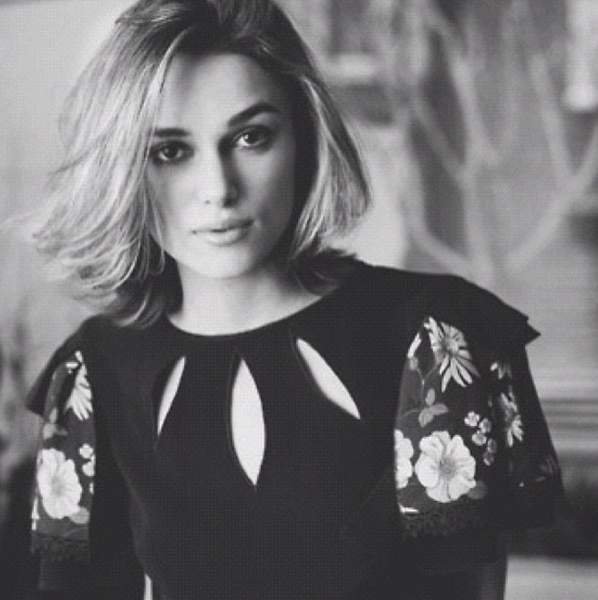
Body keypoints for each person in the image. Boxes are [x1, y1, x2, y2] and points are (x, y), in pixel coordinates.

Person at [24, 1, 562, 598]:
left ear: (304, 137)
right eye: (170, 151)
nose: (218, 190)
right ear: (120, 169)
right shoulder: (93, 372)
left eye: (251, 137)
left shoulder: (434, 341)